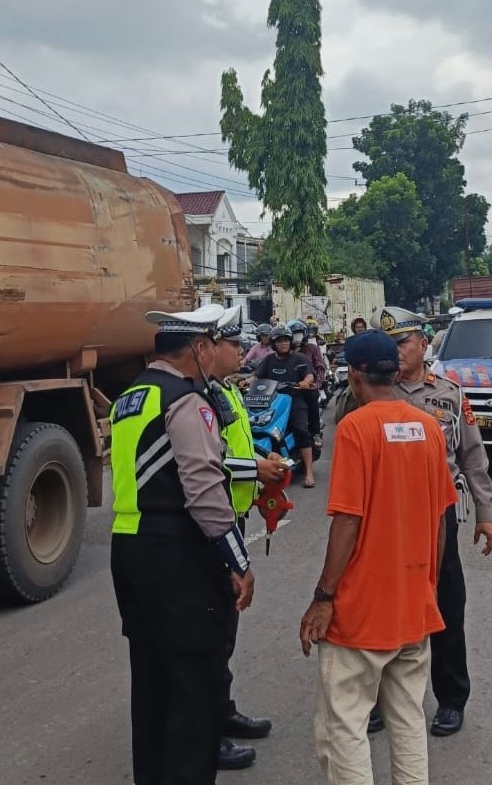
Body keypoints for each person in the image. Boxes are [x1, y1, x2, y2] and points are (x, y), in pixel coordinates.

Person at [299, 330, 457, 785]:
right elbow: (442, 518)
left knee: (343, 725)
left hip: (363, 612)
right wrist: (428, 585)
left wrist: (324, 595)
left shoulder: (355, 428)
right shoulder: (428, 426)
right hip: (413, 605)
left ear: (353, 375)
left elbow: (347, 519)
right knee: (408, 719)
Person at [109, 304, 256, 785]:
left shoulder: (130, 397)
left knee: (151, 679)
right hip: (176, 553)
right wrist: (237, 560)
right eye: (214, 344)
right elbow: (203, 488)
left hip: (129, 546)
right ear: (198, 347)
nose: (215, 354)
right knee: (194, 684)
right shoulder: (186, 400)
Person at [335, 307, 492, 738]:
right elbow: (340, 428)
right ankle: (380, 699)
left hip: (434, 509)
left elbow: (472, 457)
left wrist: (485, 513)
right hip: (380, 509)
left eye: (403, 342)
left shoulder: (448, 393)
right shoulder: (366, 389)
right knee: (378, 600)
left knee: (444, 599)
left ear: (424, 345)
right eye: (390, 344)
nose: (396, 351)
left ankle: (451, 697)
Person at [210, 307, 289, 771]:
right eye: (232, 344)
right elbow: (203, 467)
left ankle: (222, 710)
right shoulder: (198, 398)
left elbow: (237, 446)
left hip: (233, 516)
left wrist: (264, 457)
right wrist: (254, 469)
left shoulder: (225, 391)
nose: (242, 351)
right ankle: (208, 729)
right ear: (207, 347)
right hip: (211, 522)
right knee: (210, 632)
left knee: (226, 627)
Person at [255, 326, 318, 487]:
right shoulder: (268, 360)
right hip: (273, 402)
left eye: (285, 341)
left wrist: (306, 382)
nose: (283, 344)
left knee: (301, 430)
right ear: (273, 344)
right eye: (279, 341)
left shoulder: (299, 358)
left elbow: (309, 374)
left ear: (290, 342)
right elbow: (256, 376)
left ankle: (309, 472)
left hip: (295, 400)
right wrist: (245, 381)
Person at [291, 319, 328, 450]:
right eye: (294, 333)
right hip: (290, 388)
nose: (296, 336)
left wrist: (316, 384)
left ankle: (315, 433)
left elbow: (320, 367)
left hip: (308, 388)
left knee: (312, 398)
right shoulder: (284, 351)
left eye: (299, 333)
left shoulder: (311, 349)